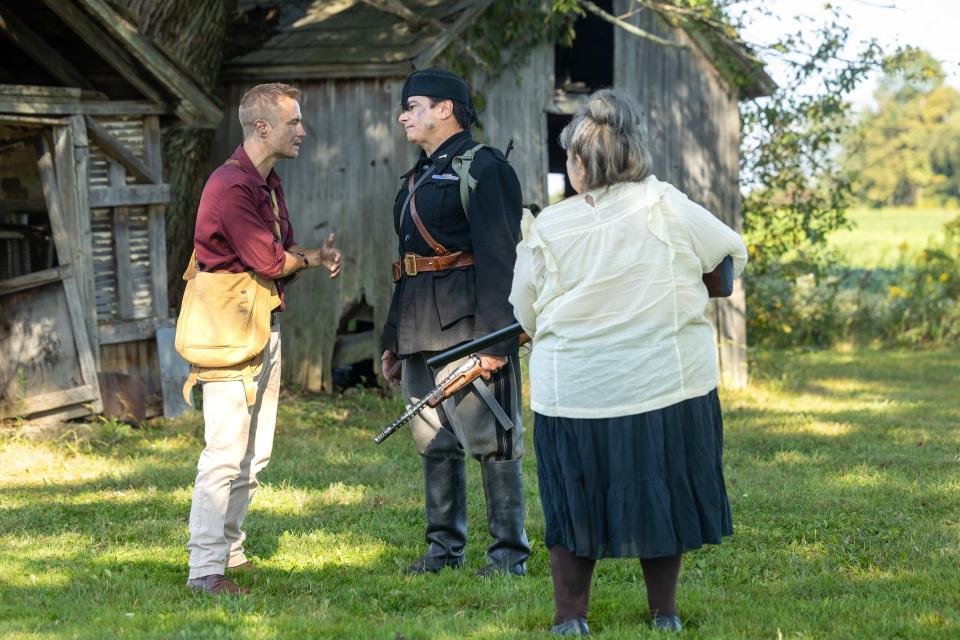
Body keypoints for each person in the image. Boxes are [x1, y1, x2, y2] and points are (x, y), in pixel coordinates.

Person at [509, 89, 747, 634]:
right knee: (658, 489)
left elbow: (524, 312)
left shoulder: (548, 227)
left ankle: (572, 619)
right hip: (664, 381)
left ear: (580, 162)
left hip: (575, 390)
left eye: (568, 156)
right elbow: (727, 259)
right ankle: (665, 615)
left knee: (574, 498)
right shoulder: (667, 204)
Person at [185, 83, 342, 595]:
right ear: (262, 128)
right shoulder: (231, 186)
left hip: (260, 322)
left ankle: (230, 550)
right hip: (229, 333)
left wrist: (313, 255)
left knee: (255, 453)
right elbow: (270, 261)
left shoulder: (266, 183)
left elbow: (283, 251)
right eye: (294, 122)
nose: (303, 131)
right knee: (224, 452)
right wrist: (304, 259)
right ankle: (204, 570)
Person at [379, 68, 530, 577]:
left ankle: (508, 556)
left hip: (469, 328)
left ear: (445, 109)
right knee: (434, 442)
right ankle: (444, 550)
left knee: (491, 440)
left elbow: (500, 258)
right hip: (419, 327)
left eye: (413, 105)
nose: (404, 115)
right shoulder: (417, 176)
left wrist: (496, 340)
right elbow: (407, 262)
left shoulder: (484, 167)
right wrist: (392, 339)